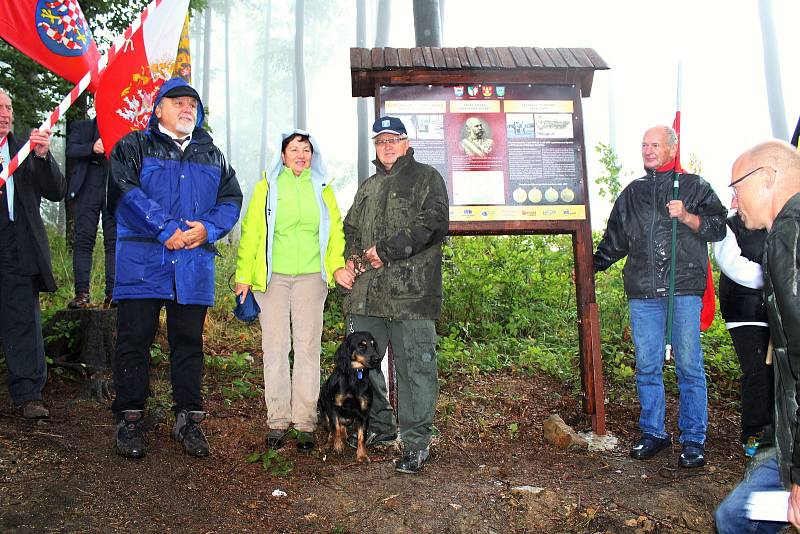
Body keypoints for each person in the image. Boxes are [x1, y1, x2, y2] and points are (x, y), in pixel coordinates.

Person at [107, 77, 242, 459]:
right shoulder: (134, 146)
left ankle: (188, 420)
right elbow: (124, 191)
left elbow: (231, 198)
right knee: (134, 342)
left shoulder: (211, 153)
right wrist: (164, 228)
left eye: (192, 105)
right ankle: (130, 420)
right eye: (179, 102)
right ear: (159, 108)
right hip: (143, 263)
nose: (187, 109)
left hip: (193, 266)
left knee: (189, 345)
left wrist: (208, 228)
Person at [593, 125, 726, 468]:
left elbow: (718, 227)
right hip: (643, 290)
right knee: (648, 366)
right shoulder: (633, 193)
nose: (648, 150)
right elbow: (614, 241)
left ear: (672, 148)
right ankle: (654, 432)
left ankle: (693, 439)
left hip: (684, 288)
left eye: (655, 144)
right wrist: (589, 265)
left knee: (688, 366)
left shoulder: (695, 186)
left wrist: (687, 216)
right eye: (644, 145)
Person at [343, 116, 449, 474]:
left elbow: (433, 224)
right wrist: (351, 259)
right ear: (375, 146)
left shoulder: (426, 179)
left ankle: (416, 443)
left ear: (406, 143)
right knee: (360, 363)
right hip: (369, 295)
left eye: (394, 139)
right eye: (380, 141)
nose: (387, 146)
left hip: (412, 295)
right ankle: (383, 426)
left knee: (415, 369)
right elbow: (351, 228)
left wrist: (386, 250)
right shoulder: (368, 187)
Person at [234, 130, 349, 452]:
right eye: (294, 149)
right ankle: (278, 420)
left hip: (312, 277)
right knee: (275, 347)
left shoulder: (322, 188)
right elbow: (252, 232)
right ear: (282, 155)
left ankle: (304, 422)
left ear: (313, 155)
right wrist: (244, 275)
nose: (301, 154)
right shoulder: (268, 187)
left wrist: (336, 264)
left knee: (308, 347)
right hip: (272, 279)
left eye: (307, 149)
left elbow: (335, 231)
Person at [715, 140, 800, 533]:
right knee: (734, 515)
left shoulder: (789, 239)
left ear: (766, 179)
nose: (734, 201)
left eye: (737, 187)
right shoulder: (782, 237)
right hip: (787, 441)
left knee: (735, 519)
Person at [0, 89, 66, 419]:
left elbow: (56, 191)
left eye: (8, 107)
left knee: (22, 319)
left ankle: (29, 393)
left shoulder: (25, 149)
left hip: (18, 245)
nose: (5, 113)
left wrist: (42, 156)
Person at [712, 210, 773, 457]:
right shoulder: (728, 226)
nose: (736, 199)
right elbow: (732, 264)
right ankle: (754, 433)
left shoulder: (778, 221)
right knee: (757, 369)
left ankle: (777, 432)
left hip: (776, 309)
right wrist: (774, 278)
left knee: (778, 370)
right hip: (744, 311)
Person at [65, 117, 116, 309]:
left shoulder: (123, 126)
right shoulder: (82, 125)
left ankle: (113, 293)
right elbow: (71, 149)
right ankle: (81, 294)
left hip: (114, 185)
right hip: (87, 186)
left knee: (113, 240)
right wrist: (92, 147)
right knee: (84, 240)